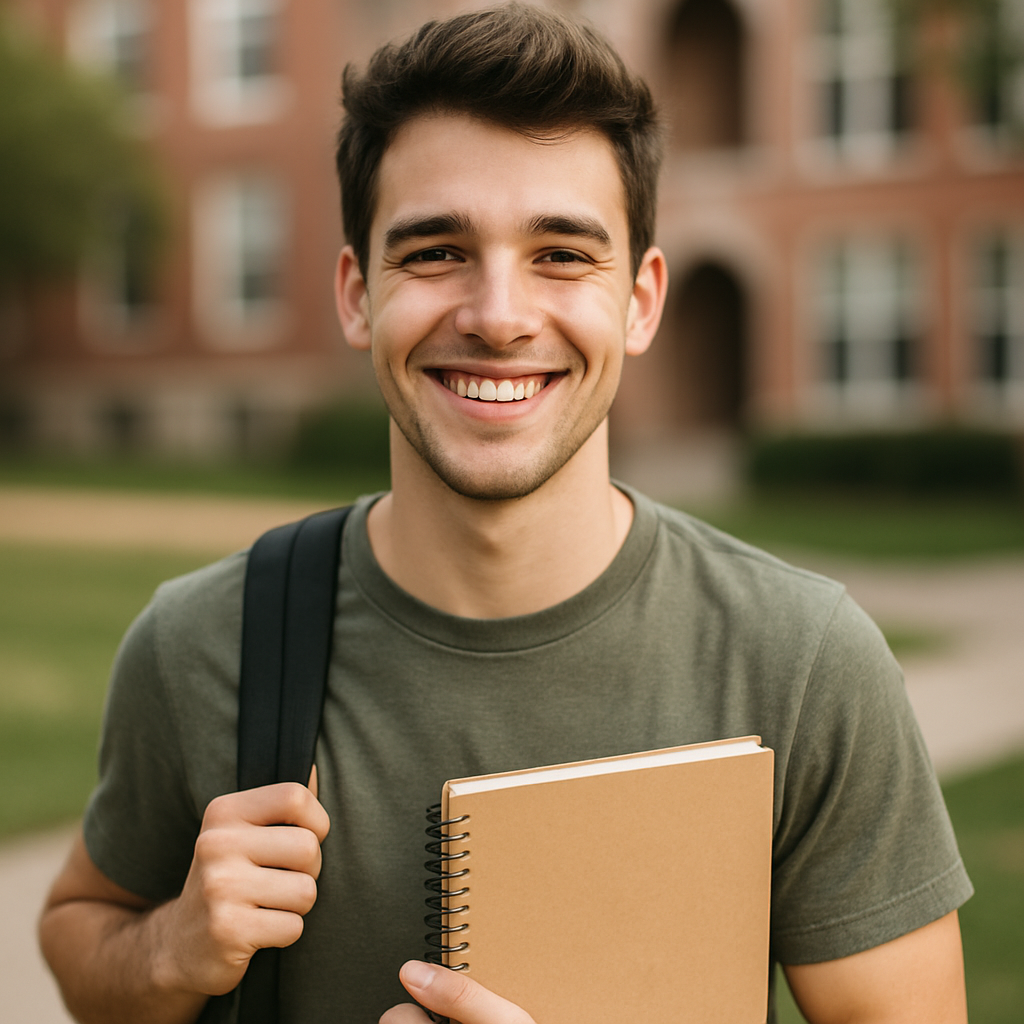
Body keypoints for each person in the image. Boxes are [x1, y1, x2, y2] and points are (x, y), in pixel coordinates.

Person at [39, 5, 972, 1023]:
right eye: (436, 250)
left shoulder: (804, 661)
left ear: (640, 300)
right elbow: (82, 932)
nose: (497, 315)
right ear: (357, 294)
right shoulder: (200, 644)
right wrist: (172, 949)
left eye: (562, 254)